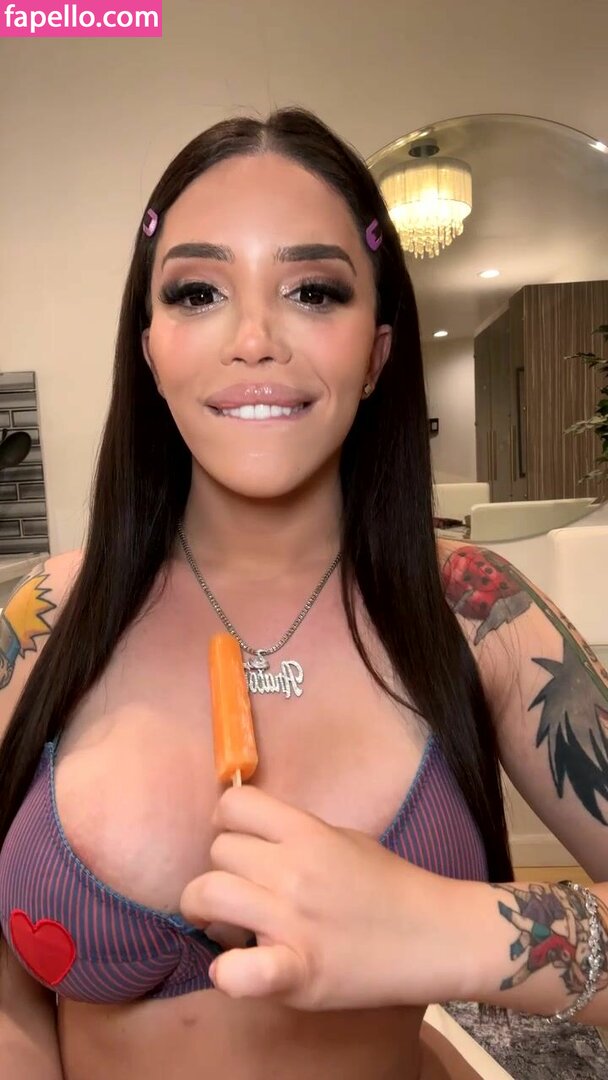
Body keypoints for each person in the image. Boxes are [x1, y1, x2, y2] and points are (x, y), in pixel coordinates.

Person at [0, 107, 606, 1080]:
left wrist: (435, 924)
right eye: (198, 291)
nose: (254, 339)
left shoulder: (478, 611)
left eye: (313, 291)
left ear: (376, 354)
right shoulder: (40, 619)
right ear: (150, 347)